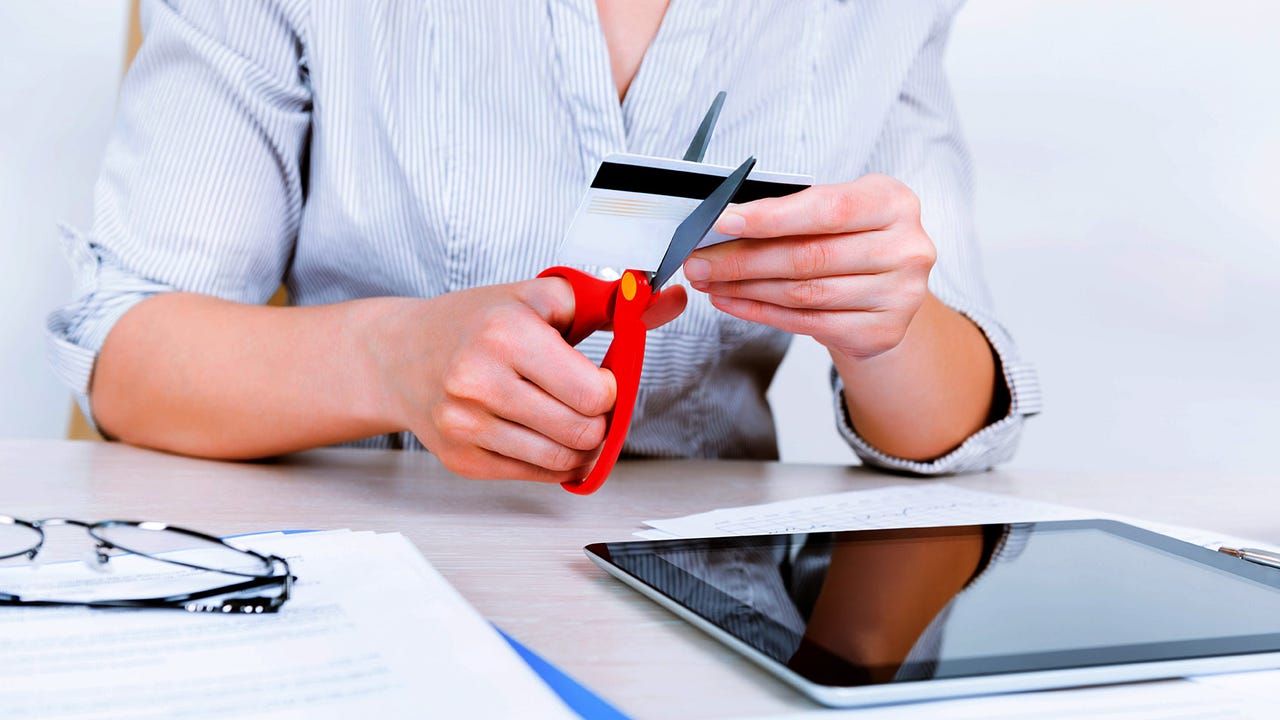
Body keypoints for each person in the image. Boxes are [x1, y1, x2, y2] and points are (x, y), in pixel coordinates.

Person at [46, 0, 1039, 483]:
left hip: (715, 601)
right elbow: (125, 349)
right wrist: (391, 361)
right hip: (366, 568)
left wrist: (887, 330)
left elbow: (955, 428)